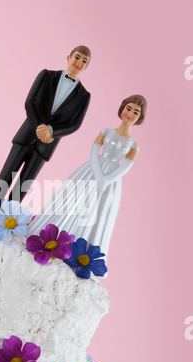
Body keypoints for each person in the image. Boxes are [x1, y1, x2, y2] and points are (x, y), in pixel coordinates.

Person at [28, 94, 147, 259]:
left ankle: (80, 251)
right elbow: (94, 150)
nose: (130, 114)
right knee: (72, 200)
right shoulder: (106, 132)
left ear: (140, 117)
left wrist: (107, 179)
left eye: (136, 112)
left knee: (98, 210)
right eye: (128, 108)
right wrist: (98, 173)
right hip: (91, 170)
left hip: (111, 180)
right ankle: (51, 234)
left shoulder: (134, 145)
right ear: (122, 109)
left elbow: (126, 166)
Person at [0, 46, 91, 204]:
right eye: (77, 57)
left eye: (84, 61)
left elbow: (74, 124)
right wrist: (40, 127)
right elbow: (31, 102)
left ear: (86, 67)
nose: (79, 62)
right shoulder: (46, 75)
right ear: (68, 57)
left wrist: (51, 131)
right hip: (27, 135)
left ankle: (7, 218)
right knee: (6, 175)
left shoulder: (84, 96)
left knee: (24, 184)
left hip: (47, 144)